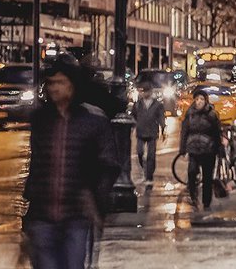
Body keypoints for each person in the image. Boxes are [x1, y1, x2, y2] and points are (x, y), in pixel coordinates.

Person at [22, 59, 119, 269]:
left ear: (72, 85)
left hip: (76, 214)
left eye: (60, 82)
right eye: (50, 83)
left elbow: (108, 164)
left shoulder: (92, 122)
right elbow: (37, 165)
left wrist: (95, 199)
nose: (54, 88)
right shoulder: (41, 121)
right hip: (42, 214)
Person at [179, 86, 223, 211]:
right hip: (194, 148)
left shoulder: (211, 114)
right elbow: (185, 131)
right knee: (192, 172)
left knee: (207, 177)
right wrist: (182, 148)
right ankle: (193, 196)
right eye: (197, 99)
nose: (198, 101)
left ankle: (206, 202)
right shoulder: (190, 113)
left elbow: (216, 133)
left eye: (201, 99)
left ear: (206, 101)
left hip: (208, 150)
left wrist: (219, 149)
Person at [131, 79, 166, 185]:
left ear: (151, 92)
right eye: (143, 91)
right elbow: (133, 116)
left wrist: (163, 128)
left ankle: (149, 176)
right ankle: (145, 170)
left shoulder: (157, 104)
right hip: (141, 131)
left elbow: (161, 117)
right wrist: (132, 127)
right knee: (140, 152)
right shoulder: (138, 104)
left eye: (147, 91)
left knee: (151, 155)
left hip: (152, 132)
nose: (145, 93)